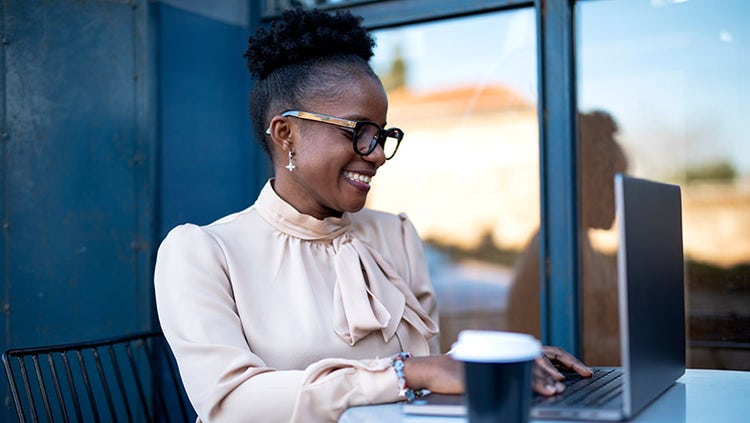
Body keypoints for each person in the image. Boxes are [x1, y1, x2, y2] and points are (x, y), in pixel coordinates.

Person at [154, 8, 591, 422]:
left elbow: (432, 373)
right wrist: (406, 373)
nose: (378, 154)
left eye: (382, 135)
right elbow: (231, 404)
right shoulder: (203, 252)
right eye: (359, 132)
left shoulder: (393, 234)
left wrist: (495, 365)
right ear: (287, 134)